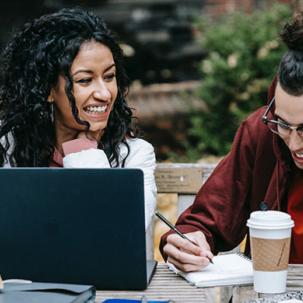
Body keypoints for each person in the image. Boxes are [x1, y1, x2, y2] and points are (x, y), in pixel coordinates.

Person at [160, 12, 303, 271]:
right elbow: (208, 218)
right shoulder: (261, 132)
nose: (293, 144)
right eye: (283, 124)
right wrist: (188, 240)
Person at [0, 8, 157, 228]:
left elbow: (120, 229)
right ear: (48, 90)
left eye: (109, 77)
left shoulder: (135, 155)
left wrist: (83, 151)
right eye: (85, 80)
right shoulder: (9, 146)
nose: (104, 94)